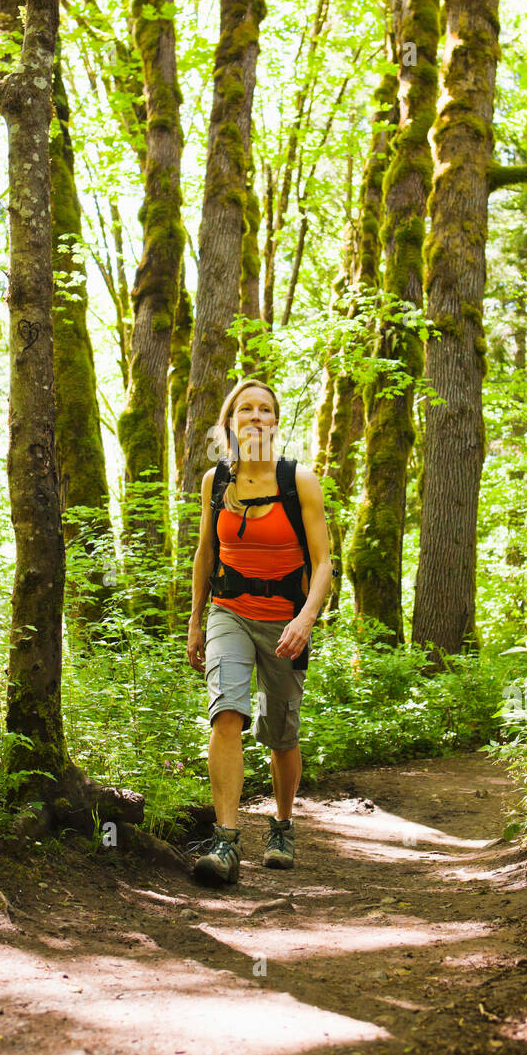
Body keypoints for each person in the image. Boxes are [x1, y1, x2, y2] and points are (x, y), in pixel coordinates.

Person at [186, 378, 333, 885]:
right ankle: (226, 840)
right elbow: (207, 554)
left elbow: (324, 564)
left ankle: (283, 824)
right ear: (229, 422)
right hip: (228, 611)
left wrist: (305, 619)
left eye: (264, 410)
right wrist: (195, 619)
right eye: (245, 409)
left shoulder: (300, 481)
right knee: (227, 712)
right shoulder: (215, 481)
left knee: (280, 733)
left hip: (286, 622)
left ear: (275, 421)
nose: (255, 417)